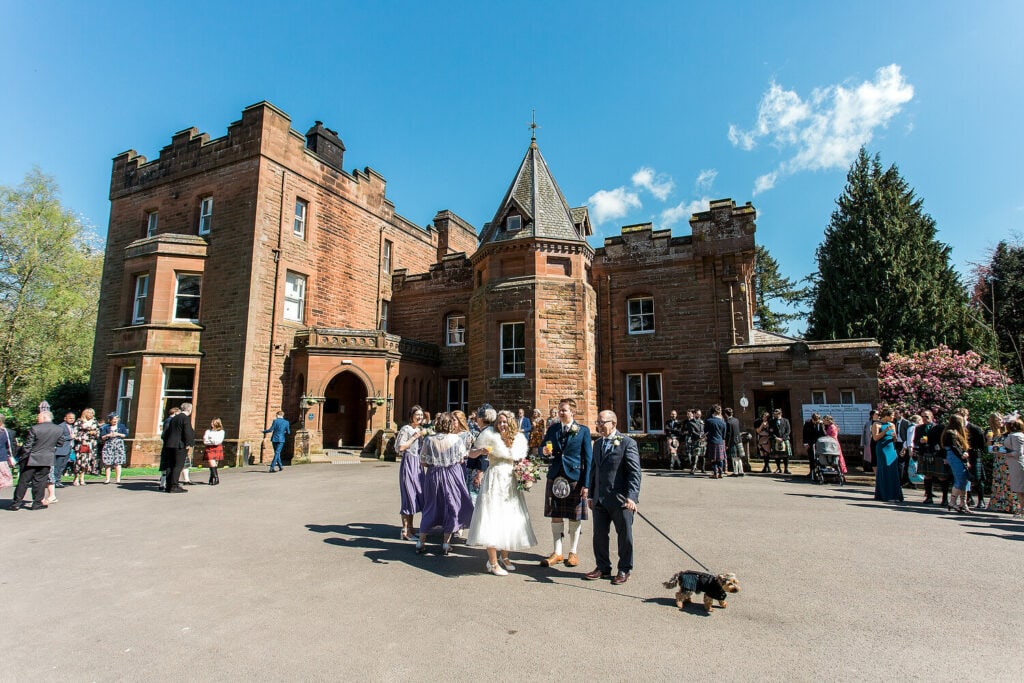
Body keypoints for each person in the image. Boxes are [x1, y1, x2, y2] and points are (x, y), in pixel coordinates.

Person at [467, 408, 537, 575]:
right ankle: (492, 562)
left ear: (510, 423)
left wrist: (526, 474)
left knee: (508, 517)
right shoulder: (489, 435)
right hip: (494, 479)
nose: (501, 424)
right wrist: (481, 451)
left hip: (510, 482)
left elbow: (521, 460)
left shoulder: (518, 438)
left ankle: (504, 557)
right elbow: (470, 454)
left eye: (504, 422)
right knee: (492, 517)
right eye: (499, 422)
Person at [585, 410, 641, 586]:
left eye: (602, 422)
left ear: (614, 424)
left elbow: (634, 472)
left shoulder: (627, 443)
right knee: (599, 536)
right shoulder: (598, 444)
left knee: (625, 537)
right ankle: (602, 567)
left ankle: (624, 569)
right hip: (599, 499)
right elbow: (594, 470)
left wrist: (632, 496)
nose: (599, 426)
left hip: (621, 500)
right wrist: (591, 493)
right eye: (598, 422)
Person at [540, 398, 592, 569]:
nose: (561, 413)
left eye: (564, 410)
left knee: (574, 515)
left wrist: (586, 484)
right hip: (555, 475)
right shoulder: (553, 429)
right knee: (556, 514)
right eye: (560, 410)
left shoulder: (583, 431)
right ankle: (557, 552)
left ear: (572, 412)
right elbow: (542, 449)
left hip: (574, 477)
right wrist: (544, 452)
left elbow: (588, 459)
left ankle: (573, 552)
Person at [417, 413, 475, 555]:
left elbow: (423, 462)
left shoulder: (429, 440)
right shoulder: (456, 439)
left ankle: (421, 541)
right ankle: (445, 543)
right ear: (450, 424)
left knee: (430, 506)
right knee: (452, 506)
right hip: (452, 475)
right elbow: (461, 459)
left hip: (433, 475)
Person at [10, 411, 67, 510]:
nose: (37, 419)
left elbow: (28, 445)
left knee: (23, 481)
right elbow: (60, 443)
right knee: (40, 482)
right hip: (47, 458)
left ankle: (16, 503)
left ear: (44, 417)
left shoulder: (35, 428)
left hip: (31, 458)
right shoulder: (58, 429)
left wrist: (23, 456)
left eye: (39, 417)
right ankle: (37, 502)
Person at [396, 405, 425, 540]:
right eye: (417, 415)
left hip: (418, 466)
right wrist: (414, 437)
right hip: (408, 464)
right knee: (408, 496)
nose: (419, 417)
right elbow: (400, 447)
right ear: (411, 416)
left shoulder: (419, 429)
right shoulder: (406, 429)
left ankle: (411, 529)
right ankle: (405, 531)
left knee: (415, 497)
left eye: (421, 415)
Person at [161, 402, 194, 494]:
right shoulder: (185, 418)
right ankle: (174, 486)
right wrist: (189, 443)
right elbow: (187, 432)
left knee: (170, 465)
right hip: (179, 445)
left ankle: (168, 486)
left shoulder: (174, 418)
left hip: (170, 444)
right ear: (189, 409)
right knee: (178, 465)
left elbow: (168, 431)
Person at [942, 414, 972, 514]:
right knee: (960, 479)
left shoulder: (955, 432)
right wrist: (962, 455)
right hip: (954, 456)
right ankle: (952, 501)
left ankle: (963, 503)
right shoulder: (951, 433)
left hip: (955, 456)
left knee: (964, 479)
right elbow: (954, 447)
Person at [986, 413, 1016, 514]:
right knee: (999, 482)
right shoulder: (991, 433)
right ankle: (998, 505)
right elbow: (990, 449)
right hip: (999, 462)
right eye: (998, 420)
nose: (1001, 422)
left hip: (1008, 461)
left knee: (1008, 483)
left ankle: (1011, 506)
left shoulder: (1008, 432)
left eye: (1001, 420)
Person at [872, 407, 903, 502]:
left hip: (891, 448)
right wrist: (885, 431)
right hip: (882, 448)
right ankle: (884, 494)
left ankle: (895, 495)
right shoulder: (877, 424)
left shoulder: (892, 425)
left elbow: (895, 439)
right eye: (892, 416)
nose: (893, 417)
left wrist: (894, 437)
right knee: (885, 468)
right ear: (886, 416)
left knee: (893, 469)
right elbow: (875, 438)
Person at [959, 408, 987, 509]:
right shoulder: (957, 429)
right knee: (965, 477)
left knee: (978, 478)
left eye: (963, 416)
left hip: (974, 455)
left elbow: (982, 444)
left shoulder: (975, 428)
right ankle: (969, 498)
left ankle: (981, 500)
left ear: (967, 416)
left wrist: (974, 450)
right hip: (962, 455)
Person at [48, 412, 76, 501]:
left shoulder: (73, 427)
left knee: (63, 466)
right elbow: (58, 437)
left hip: (68, 449)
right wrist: (69, 437)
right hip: (61, 449)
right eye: (70, 418)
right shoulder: (61, 426)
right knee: (58, 466)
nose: (72, 419)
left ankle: (58, 480)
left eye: (73, 418)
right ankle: (56, 481)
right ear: (65, 418)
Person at [1001, 418, 1024, 518]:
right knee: (1019, 488)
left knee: (1020, 488)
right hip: (1014, 464)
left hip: (1018, 464)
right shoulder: (1015, 435)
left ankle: (1021, 510)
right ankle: (1021, 509)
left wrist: (1006, 453)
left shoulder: (1016, 436)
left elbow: (1018, 452)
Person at [72, 407, 100, 486]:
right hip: (81, 444)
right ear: (85, 413)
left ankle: (82, 478)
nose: (91, 415)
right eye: (89, 413)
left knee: (87, 462)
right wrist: (82, 439)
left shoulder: (95, 422)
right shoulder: (79, 422)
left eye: (92, 413)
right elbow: (74, 434)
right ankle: (76, 477)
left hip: (91, 444)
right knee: (79, 462)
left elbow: (98, 433)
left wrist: (94, 433)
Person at [99, 412, 129, 484]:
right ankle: (107, 479)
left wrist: (118, 434)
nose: (115, 421)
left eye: (116, 419)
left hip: (119, 444)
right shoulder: (106, 427)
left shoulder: (121, 426)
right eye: (113, 419)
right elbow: (102, 437)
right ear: (110, 420)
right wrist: (108, 435)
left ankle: (118, 479)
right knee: (108, 463)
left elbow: (125, 435)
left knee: (118, 462)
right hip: (109, 444)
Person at [704, 405, 728, 479]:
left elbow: (705, 431)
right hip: (720, 441)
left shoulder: (709, 420)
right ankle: (721, 473)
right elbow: (724, 434)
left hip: (712, 441)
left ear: (713, 411)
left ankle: (715, 473)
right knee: (720, 458)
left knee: (713, 459)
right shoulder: (723, 422)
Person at [768, 408, 792, 474]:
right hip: (776, 440)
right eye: (774, 414)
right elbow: (770, 431)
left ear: (780, 414)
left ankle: (786, 469)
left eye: (777, 414)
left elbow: (788, 431)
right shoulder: (771, 421)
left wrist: (782, 438)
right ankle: (778, 468)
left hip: (784, 439)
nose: (775, 415)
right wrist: (776, 438)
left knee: (785, 455)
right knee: (776, 455)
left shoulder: (785, 420)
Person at [802, 413, 826, 479]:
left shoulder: (820, 424)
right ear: (812, 419)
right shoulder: (807, 423)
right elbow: (804, 434)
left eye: (817, 420)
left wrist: (821, 424)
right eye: (814, 420)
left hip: (819, 443)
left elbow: (824, 434)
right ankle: (812, 472)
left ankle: (822, 471)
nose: (815, 422)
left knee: (821, 458)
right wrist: (805, 443)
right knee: (811, 458)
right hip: (810, 443)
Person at [203, 418, 225, 486]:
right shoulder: (208, 431)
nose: (211, 424)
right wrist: (212, 441)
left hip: (217, 447)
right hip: (209, 448)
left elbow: (218, 441)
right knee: (211, 461)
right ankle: (216, 477)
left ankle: (211, 477)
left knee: (215, 462)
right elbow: (205, 441)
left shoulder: (221, 431)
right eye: (211, 422)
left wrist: (211, 439)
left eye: (213, 423)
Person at [0, 415, 17, 495]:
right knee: (3, 479)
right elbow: (12, 446)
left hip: (2, 459)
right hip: (2, 459)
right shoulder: (7, 432)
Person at [684, 409, 705, 474]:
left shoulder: (702, 421)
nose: (699, 415)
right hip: (695, 440)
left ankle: (703, 469)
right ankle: (693, 469)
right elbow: (692, 431)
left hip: (702, 440)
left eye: (700, 414)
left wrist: (704, 436)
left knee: (702, 455)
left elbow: (703, 430)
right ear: (695, 414)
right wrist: (699, 436)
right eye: (698, 414)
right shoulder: (691, 422)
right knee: (695, 455)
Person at [724, 407, 743, 476]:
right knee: (739, 457)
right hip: (739, 440)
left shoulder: (728, 422)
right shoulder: (736, 420)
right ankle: (741, 471)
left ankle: (735, 472)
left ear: (726, 414)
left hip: (733, 441)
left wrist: (727, 444)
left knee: (734, 457)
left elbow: (729, 434)